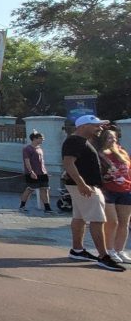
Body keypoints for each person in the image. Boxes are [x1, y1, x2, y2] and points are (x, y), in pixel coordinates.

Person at [62, 114, 124, 271]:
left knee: (79, 217)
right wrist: (82, 184)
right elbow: (68, 163)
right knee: (98, 220)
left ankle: (77, 250)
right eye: (96, 125)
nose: (100, 128)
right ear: (83, 126)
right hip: (85, 187)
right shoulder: (75, 141)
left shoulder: (80, 141)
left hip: (82, 186)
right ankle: (103, 257)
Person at [94, 127, 131, 263]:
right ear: (103, 139)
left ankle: (119, 250)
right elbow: (97, 173)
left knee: (124, 223)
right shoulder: (100, 154)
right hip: (108, 191)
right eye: (110, 137)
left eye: (114, 137)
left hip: (125, 190)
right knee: (112, 222)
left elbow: (128, 171)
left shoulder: (122, 152)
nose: (113, 140)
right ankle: (109, 250)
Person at [19, 131, 53, 213]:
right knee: (30, 189)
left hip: (42, 173)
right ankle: (22, 206)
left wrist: (46, 172)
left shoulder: (40, 149)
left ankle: (47, 208)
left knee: (45, 189)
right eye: (41, 138)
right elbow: (27, 161)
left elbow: (42, 162)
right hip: (33, 173)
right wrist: (31, 172)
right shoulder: (27, 149)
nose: (43, 140)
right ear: (34, 139)